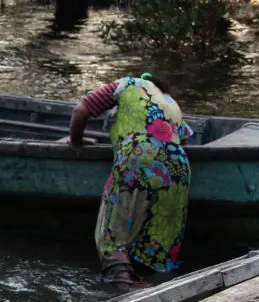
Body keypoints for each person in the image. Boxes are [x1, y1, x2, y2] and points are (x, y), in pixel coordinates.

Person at [69, 73, 195, 290]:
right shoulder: (171, 102)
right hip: (179, 166)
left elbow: (80, 111)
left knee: (113, 229)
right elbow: (183, 139)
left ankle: (122, 283)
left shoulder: (126, 84)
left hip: (139, 155)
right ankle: (151, 282)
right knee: (159, 231)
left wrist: (77, 143)